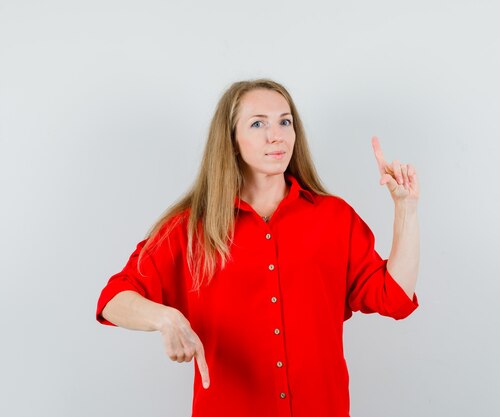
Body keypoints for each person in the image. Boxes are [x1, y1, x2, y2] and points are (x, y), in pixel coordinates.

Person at [95, 78, 420, 417]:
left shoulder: (334, 218)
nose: (275, 135)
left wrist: (406, 210)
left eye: (285, 121)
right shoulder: (189, 228)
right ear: (232, 141)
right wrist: (165, 318)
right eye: (257, 123)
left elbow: (394, 297)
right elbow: (113, 299)